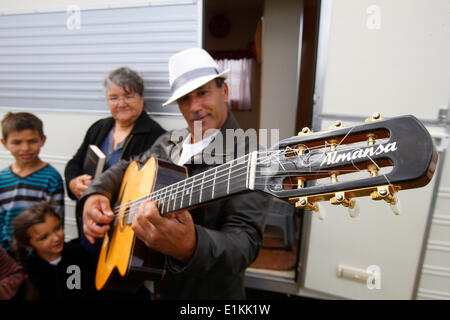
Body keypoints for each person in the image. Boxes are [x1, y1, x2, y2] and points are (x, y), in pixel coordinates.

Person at [81, 48, 270, 299]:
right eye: (184, 99)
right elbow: (127, 165)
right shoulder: (168, 142)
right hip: (149, 286)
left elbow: (245, 244)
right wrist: (98, 192)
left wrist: (191, 246)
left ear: (224, 91)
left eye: (202, 93)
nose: (194, 107)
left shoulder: (251, 157)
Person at [64, 66, 166, 237]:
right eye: (113, 98)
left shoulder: (156, 136)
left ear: (142, 97)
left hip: (122, 227)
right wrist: (73, 182)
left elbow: (146, 187)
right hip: (88, 220)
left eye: (128, 96)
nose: (121, 104)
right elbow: (75, 162)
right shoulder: (99, 128)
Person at [0, 112, 64, 253]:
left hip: (41, 255)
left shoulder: (51, 178)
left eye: (32, 141)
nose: (25, 148)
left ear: (42, 140)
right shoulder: (2, 179)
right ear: (4, 143)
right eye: (17, 142)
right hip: (8, 255)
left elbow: (56, 221)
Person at [12, 202, 96, 300]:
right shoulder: (29, 270)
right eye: (44, 237)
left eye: (57, 228)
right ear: (28, 245)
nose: (56, 238)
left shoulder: (79, 255)